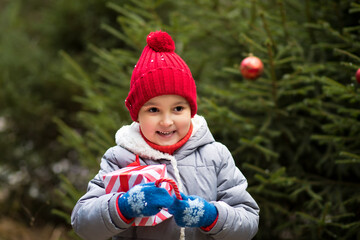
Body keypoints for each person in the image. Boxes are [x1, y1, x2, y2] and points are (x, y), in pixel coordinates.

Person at [71, 30, 259, 240]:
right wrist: (125, 205)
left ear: (191, 110)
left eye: (178, 109)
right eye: (153, 110)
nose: (167, 121)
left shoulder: (215, 156)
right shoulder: (120, 158)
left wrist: (211, 216)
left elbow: (248, 222)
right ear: (137, 115)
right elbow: (82, 222)